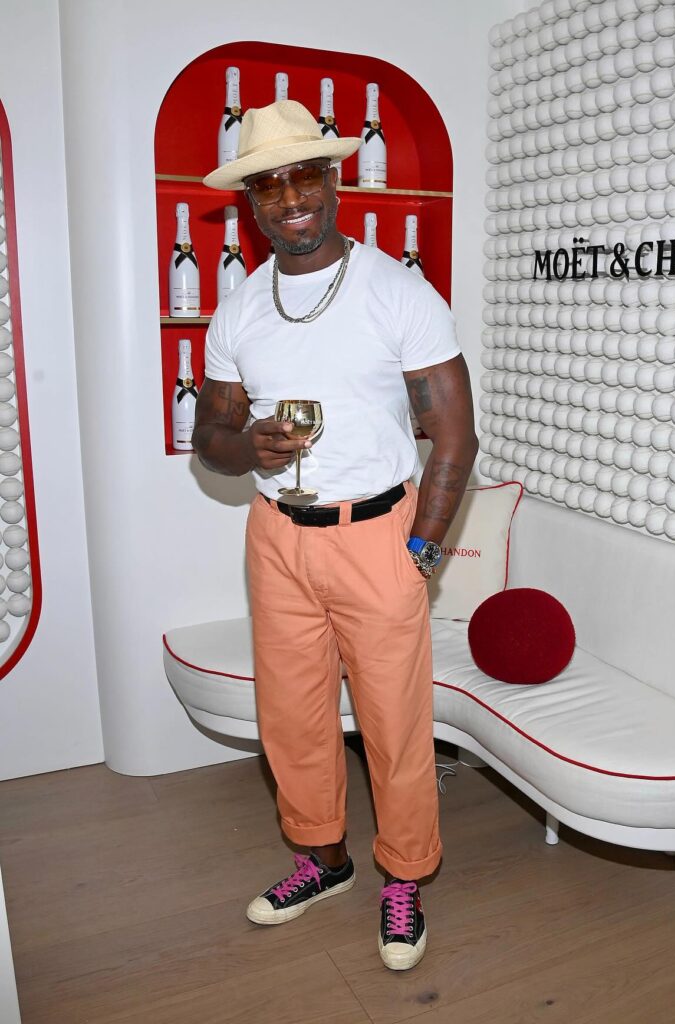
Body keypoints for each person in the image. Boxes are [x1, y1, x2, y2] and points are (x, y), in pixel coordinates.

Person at [194, 100, 478, 971]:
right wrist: (252, 447)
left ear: (332, 180)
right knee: (293, 719)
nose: (290, 200)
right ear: (250, 200)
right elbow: (211, 441)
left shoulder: (399, 292)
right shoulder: (238, 310)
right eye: (269, 185)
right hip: (276, 536)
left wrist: (421, 555)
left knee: (395, 723)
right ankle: (322, 860)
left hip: (377, 534)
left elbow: (456, 437)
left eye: (304, 177)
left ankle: (404, 877)